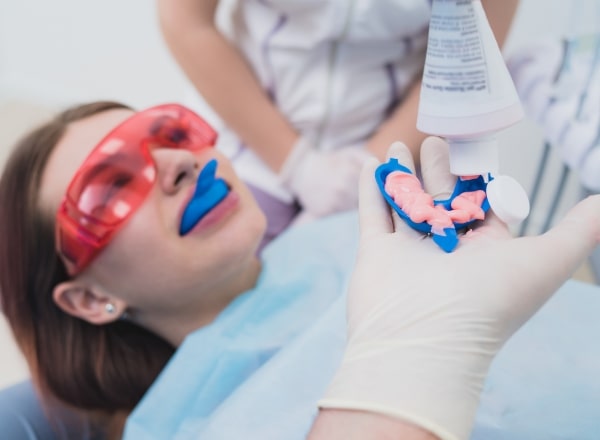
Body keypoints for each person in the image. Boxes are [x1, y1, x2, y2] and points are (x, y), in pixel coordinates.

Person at [0, 101, 599, 440]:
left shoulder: (357, 232)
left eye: (172, 133)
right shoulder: (184, 428)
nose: (182, 162)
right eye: (112, 188)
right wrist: (410, 365)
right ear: (89, 299)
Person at [157, 0, 521, 246]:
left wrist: (371, 170)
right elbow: (186, 22)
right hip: (249, 141)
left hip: (395, 146)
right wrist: (298, 164)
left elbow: (475, 42)